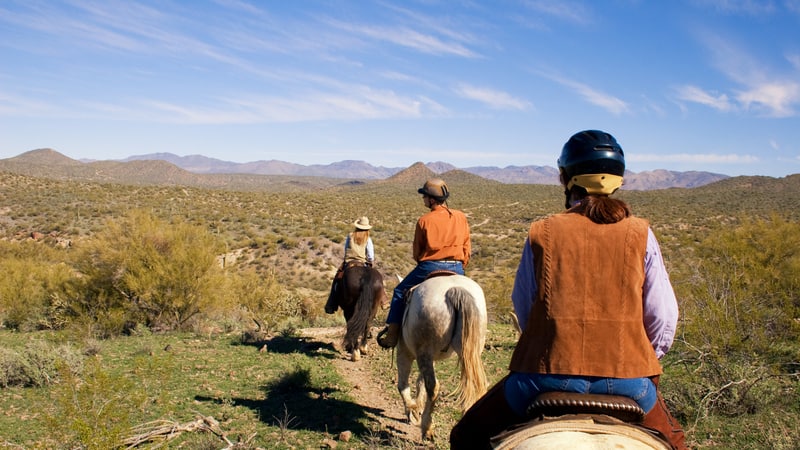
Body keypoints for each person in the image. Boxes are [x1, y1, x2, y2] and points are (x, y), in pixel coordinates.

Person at [450, 130, 689, 450]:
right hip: (629, 381)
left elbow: (524, 306)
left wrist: (548, 343)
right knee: (677, 443)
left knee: (465, 436)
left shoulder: (543, 231)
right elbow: (663, 316)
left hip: (545, 377)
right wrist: (640, 358)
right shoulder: (641, 233)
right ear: (620, 180)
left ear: (566, 178)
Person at [376, 178, 471, 348]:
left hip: (430, 266)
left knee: (399, 291)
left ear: (432, 199)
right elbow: (467, 248)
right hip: (457, 266)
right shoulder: (461, 217)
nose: (423, 199)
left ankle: (392, 335)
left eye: (425, 196)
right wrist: (460, 264)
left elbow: (417, 253)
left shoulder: (424, 220)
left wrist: (426, 260)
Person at [325, 216, 375, 313]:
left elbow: (346, 249)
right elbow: (370, 255)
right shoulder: (368, 238)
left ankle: (331, 303)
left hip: (349, 262)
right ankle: (383, 300)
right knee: (374, 279)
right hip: (362, 262)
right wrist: (370, 261)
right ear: (367, 228)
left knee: (337, 279)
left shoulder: (350, 235)